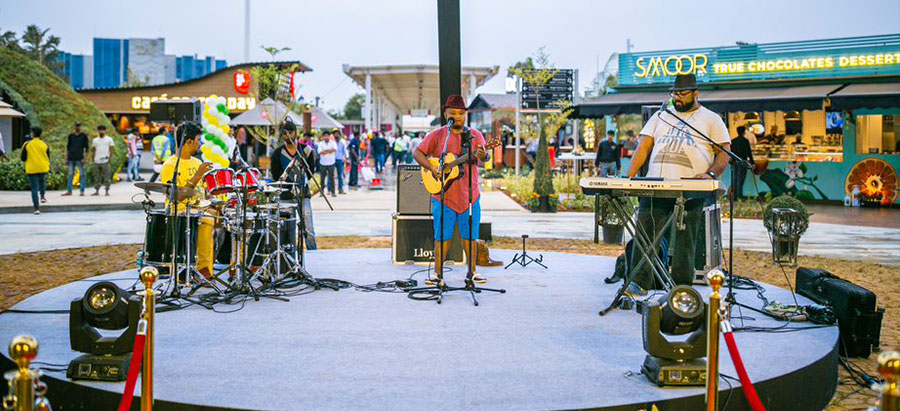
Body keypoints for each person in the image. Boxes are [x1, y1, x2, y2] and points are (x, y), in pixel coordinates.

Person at [625, 73, 730, 296]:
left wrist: (712, 173)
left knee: (686, 238)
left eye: (682, 94)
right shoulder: (660, 116)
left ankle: (681, 289)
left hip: (690, 187)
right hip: (656, 185)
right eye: (675, 93)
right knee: (646, 235)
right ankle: (638, 283)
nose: (678, 98)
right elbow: (643, 147)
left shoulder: (711, 119)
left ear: (695, 93)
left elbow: (724, 153)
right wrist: (629, 177)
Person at [413, 94, 490, 285]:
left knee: (470, 236)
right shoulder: (439, 135)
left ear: (466, 114)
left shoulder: (475, 135)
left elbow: (484, 158)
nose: (458, 116)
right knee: (441, 236)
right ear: (446, 113)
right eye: (453, 113)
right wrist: (432, 168)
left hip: (469, 196)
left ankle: (471, 272)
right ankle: (437, 274)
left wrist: (485, 154)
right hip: (443, 196)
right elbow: (418, 152)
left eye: (461, 113)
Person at [159, 123, 215, 279]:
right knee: (207, 220)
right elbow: (176, 197)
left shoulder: (197, 162)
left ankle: (234, 266)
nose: (200, 144)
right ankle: (202, 270)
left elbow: (205, 191)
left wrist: (214, 200)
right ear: (189, 141)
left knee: (234, 222)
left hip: (200, 209)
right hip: (181, 212)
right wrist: (197, 176)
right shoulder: (170, 165)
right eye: (198, 140)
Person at [270, 121, 319, 250]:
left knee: (308, 228)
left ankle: (313, 253)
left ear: (295, 133)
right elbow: (275, 174)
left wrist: (300, 181)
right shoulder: (278, 153)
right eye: (284, 133)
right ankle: (290, 256)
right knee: (288, 229)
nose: (288, 136)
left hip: (303, 193)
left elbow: (311, 170)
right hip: (285, 195)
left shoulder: (306, 151)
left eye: (290, 132)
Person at [21, 127, 49, 214]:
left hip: (32, 168)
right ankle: (43, 196)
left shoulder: (27, 144)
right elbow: (48, 156)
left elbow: (23, 158)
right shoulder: (44, 144)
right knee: (42, 181)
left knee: (34, 188)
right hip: (43, 167)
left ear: (32, 133)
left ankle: (36, 209)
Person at [63, 122, 89, 196]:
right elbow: (68, 147)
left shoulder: (84, 136)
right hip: (71, 157)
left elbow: (86, 148)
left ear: (81, 127)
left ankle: (82, 191)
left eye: (79, 126)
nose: (77, 127)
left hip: (80, 158)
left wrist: (85, 158)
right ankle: (69, 191)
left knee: (82, 174)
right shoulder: (71, 136)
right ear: (74, 127)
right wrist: (66, 158)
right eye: (76, 126)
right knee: (70, 174)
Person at [90, 125, 115, 196]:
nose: (101, 131)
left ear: (105, 131)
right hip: (96, 160)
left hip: (105, 160)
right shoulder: (95, 140)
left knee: (107, 177)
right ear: (98, 131)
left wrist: (109, 159)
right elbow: (93, 150)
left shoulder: (109, 139)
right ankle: (97, 190)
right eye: (100, 130)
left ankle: (107, 190)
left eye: (102, 130)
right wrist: (93, 159)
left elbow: (111, 150)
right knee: (96, 177)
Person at [731, 126, 755, 199]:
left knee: (735, 178)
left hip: (735, 161)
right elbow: (749, 152)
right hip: (743, 161)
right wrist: (752, 162)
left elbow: (731, 152)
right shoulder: (745, 141)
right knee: (740, 178)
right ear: (744, 132)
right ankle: (739, 195)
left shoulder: (733, 141)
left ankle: (734, 195)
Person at [316, 130, 338, 197]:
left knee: (331, 178)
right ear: (323, 137)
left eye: (327, 136)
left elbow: (334, 149)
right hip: (323, 163)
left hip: (331, 163)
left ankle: (333, 192)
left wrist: (325, 151)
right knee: (322, 179)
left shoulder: (333, 142)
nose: (326, 137)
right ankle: (322, 192)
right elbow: (320, 152)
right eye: (325, 136)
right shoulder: (320, 144)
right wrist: (329, 150)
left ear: (329, 136)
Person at [333, 129, 347, 194]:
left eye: (337, 134)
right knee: (331, 175)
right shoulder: (332, 143)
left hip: (340, 160)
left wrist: (345, 159)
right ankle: (330, 190)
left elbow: (344, 152)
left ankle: (340, 189)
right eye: (335, 134)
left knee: (340, 176)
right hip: (332, 160)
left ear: (340, 135)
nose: (336, 135)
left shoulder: (342, 143)